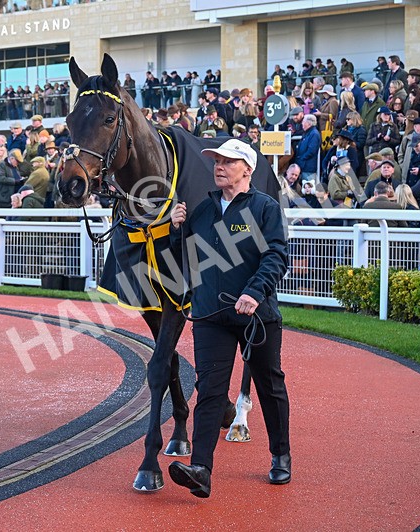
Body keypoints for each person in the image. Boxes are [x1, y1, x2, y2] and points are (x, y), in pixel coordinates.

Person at [167, 138, 290, 497]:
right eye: (216, 161)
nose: (219, 166)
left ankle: (280, 455)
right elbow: (184, 261)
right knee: (209, 392)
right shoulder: (201, 211)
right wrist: (176, 231)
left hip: (257, 317)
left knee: (269, 387)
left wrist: (254, 292)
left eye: (228, 161)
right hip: (209, 315)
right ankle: (202, 469)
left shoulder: (265, 208)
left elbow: (277, 256)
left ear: (247, 170)